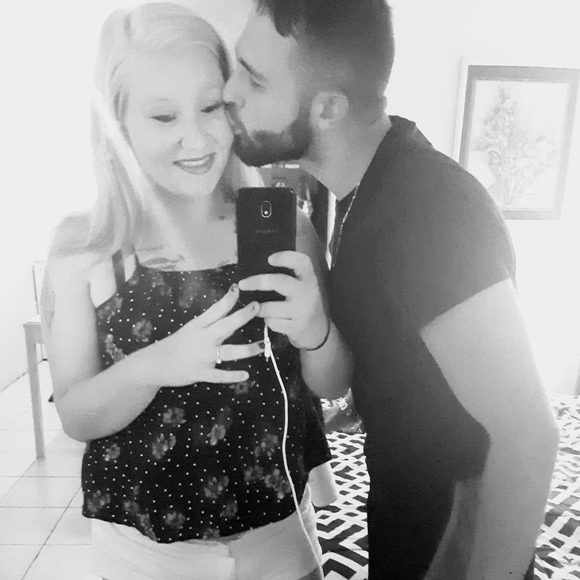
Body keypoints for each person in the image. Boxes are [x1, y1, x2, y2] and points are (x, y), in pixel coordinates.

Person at [223, 1, 561, 578]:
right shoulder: (366, 190)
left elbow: (528, 435)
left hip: (451, 539)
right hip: (404, 516)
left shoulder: (429, 208)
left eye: (254, 79)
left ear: (328, 108)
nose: (231, 91)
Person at [39, 3, 351, 579]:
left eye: (211, 107)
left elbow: (332, 385)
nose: (196, 137)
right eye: (163, 116)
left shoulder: (288, 229)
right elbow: (76, 416)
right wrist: (156, 365)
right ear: (117, 126)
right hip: (146, 554)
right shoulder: (84, 251)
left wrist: (317, 333)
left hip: (281, 537)